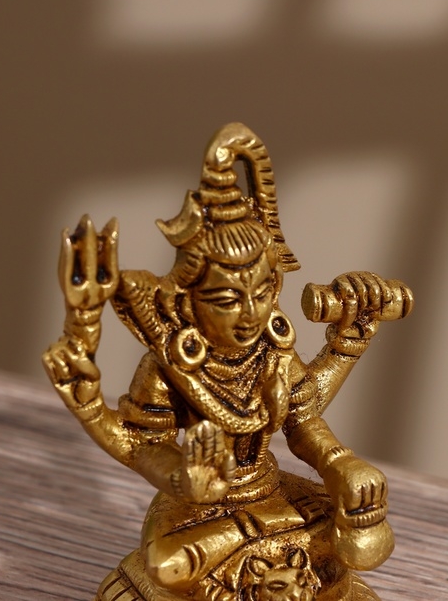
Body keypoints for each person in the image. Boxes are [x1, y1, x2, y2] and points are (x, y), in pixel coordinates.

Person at [42, 123, 412, 601]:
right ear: (188, 301)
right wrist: (178, 473)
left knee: (359, 540)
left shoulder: (271, 350)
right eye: (227, 300)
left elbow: (303, 420)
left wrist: (342, 465)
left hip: (272, 493)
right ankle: (272, 561)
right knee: (167, 566)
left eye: (261, 293)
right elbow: (141, 444)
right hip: (198, 513)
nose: (250, 314)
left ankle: (274, 560)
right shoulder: (168, 367)